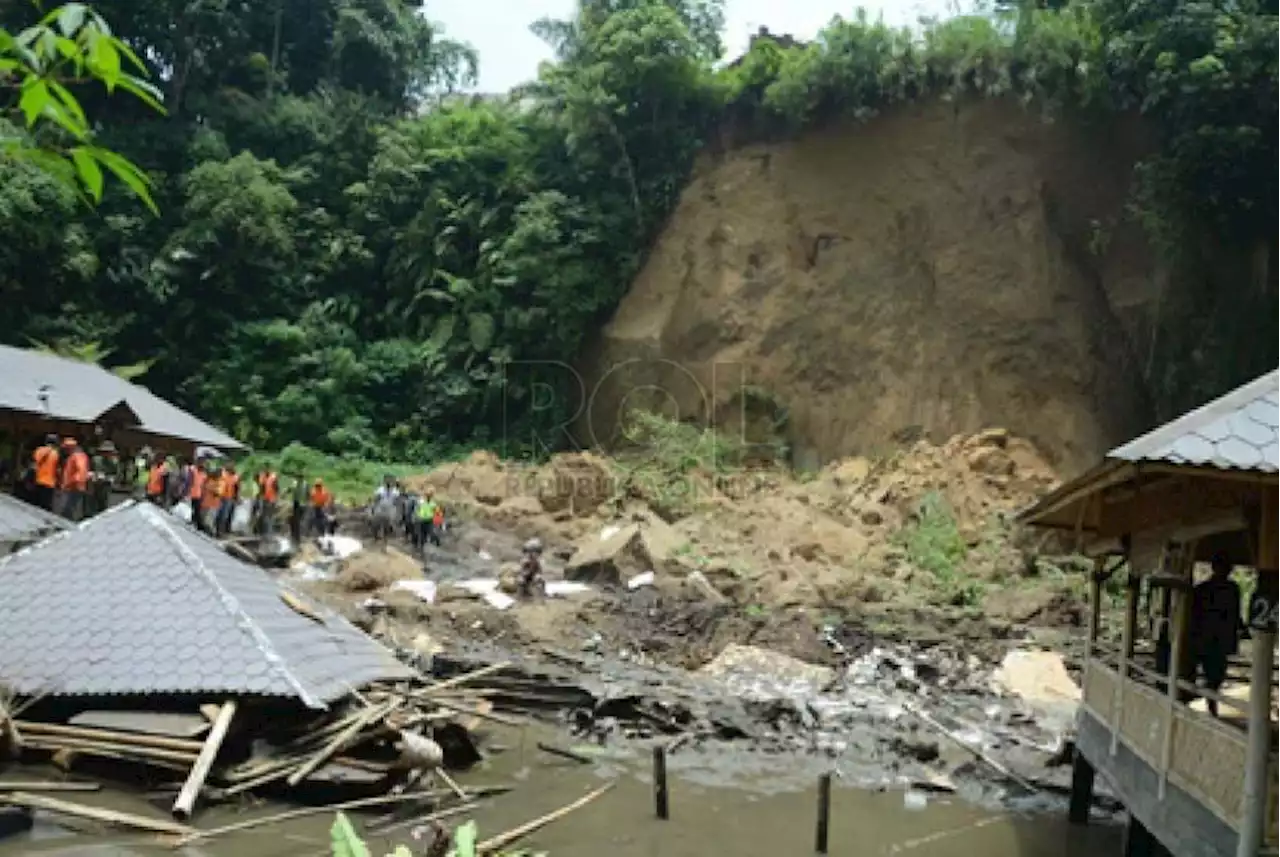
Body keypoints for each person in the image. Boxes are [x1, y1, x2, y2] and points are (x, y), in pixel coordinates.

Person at [1191, 553, 1246, 717]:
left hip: (1211, 639)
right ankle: (1209, 704)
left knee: (1214, 674)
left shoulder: (1208, 589)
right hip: (1212, 638)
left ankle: (1210, 704)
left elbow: (1235, 614)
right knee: (1212, 673)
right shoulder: (1227, 589)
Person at [55, 437, 90, 521]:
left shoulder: (78, 456)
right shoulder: (74, 456)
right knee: (67, 509)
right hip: (72, 487)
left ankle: (66, 529)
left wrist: (72, 482)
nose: (65, 450)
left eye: (66, 448)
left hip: (73, 488)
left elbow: (81, 472)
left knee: (67, 509)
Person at [30, 434, 59, 511]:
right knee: (45, 507)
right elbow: (57, 468)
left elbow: (34, 462)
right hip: (49, 483)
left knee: (35, 504)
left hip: (38, 480)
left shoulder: (39, 450)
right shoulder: (55, 454)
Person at [216, 463, 240, 536]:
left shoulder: (236, 477)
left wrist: (237, 497)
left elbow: (237, 488)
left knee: (224, 515)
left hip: (229, 498)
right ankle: (217, 529)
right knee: (218, 513)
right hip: (220, 496)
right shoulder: (223, 473)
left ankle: (220, 531)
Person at [201, 466, 225, 536]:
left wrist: (212, 489)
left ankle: (212, 533)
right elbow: (204, 487)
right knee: (203, 518)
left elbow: (218, 493)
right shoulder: (210, 480)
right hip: (205, 502)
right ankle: (206, 531)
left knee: (209, 521)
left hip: (214, 504)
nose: (216, 474)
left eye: (218, 473)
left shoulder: (221, 482)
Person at [256, 468, 280, 535]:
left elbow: (276, 488)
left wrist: (276, 498)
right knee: (264, 515)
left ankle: (269, 532)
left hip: (271, 499)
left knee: (269, 516)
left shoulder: (273, 477)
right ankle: (264, 531)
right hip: (265, 499)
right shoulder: (262, 477)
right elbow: (261, 488)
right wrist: (260, 496)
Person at [188, 459, 209, 533]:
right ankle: (195, 522)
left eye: (203, 465)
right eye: (201, 464)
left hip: (200, 494)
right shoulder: (194, 470)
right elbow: (190, 479)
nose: (202, 466)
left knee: (197, 509)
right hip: (193, 492)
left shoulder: (204, 474)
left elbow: (205, 485)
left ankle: (197, 523)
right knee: (194, 507)